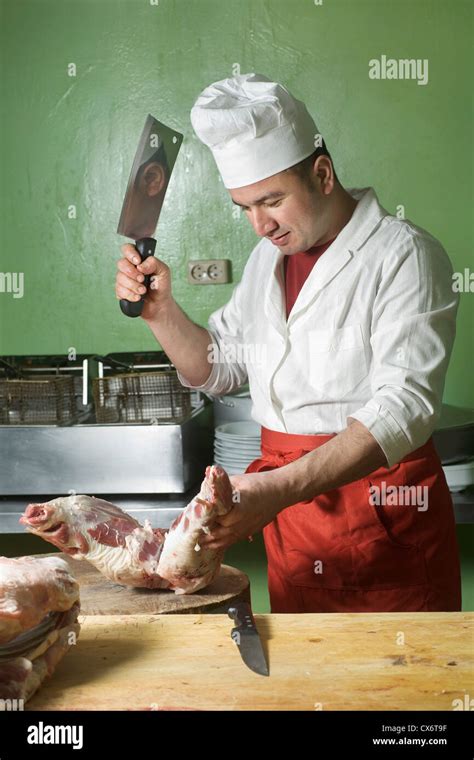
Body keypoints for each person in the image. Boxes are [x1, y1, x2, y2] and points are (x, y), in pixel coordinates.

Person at [115, 73, 461, 613]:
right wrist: (160, 314)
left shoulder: (404, 255)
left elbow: (405, 409)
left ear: (322, 174)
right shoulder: (266, 261)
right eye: (244, 207)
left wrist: (279, 490)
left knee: (397, 683)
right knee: (304, 680)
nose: (259, 224)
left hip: (381, 513)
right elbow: (222, 366)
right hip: (290, 517)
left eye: (271, 200)